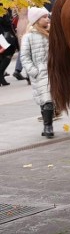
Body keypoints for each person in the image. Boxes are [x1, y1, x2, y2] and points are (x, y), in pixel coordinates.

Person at [19, 7, 54, 138]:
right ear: (35, 20)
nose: (47, 19)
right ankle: (48, 126)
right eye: (43, 17)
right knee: (46, 99)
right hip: (40, 72)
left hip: (53, 72)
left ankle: (47, 125)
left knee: (48, 99)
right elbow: (25, 57)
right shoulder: (29, 37)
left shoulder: (51, 33)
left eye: (47, 16)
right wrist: (34, 71)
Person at [0, 10, 18, 86]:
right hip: (4, 35)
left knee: (3, 55)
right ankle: (0, 74)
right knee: (7, 54)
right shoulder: (2, 8)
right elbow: (5, 22)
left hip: (4, 34)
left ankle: (1, 76)